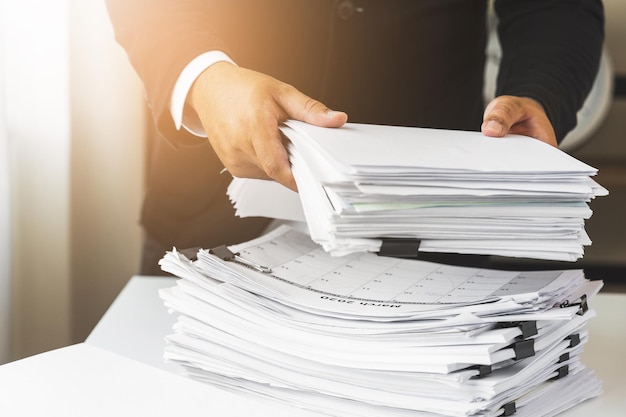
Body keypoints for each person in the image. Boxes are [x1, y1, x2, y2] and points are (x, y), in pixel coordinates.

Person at [105, 0, 605, 276]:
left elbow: (554, 6)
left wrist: (540, 93)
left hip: (428, 217)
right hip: (213, 209)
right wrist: (204, 75)